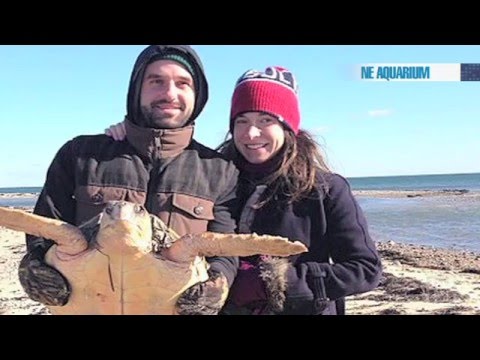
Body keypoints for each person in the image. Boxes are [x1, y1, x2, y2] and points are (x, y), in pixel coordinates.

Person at [106, 65, 383, 315]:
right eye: (242, 121)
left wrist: (274, 281)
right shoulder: (215, 176)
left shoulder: (325, 189)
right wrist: (131, 136)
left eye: (265, 120)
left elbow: (365, 269)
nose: (251, 134)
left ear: (287, 127)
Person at [19, 45, 240, 315]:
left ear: (198, 96)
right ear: (136, 89)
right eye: (156, 81)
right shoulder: (80, 155)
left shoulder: (220, 171)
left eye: (183, 83)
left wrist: (218, 285)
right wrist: (35, 266)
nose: (170, 93)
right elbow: (43, 230)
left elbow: (226, 251)